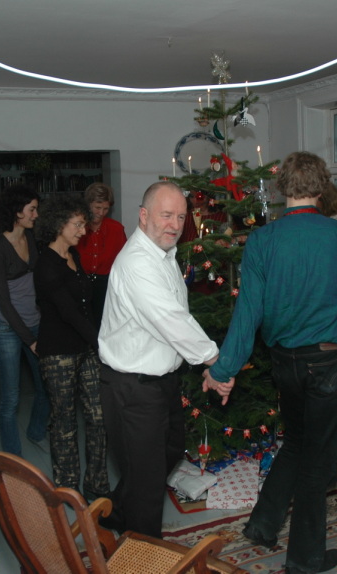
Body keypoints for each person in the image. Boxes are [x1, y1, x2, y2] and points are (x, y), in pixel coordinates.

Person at [204, 151, 337, 573]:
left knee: (296, 443)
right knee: (318, 463)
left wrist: (222, 369)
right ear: (321, 187)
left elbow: (247, 314)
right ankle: (305, 560)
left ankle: (263, 524)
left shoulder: (262, 240)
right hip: (327, 362)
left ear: (281, 188)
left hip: (284, 362)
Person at [98, 181, 224, 538]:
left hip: (161, 383)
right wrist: (215, 360)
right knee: (148, 484)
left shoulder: (163, 254)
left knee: (167, 454)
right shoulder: (138, 262)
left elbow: (174, 317)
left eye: (181, 217)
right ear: (143, 215)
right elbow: (172, 320)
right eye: (166, 215)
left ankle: (116, 513)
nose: (175, 225)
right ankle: (144, 554)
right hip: (133, 388)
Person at [34, 195, 110, 499]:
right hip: (58, 354)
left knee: (98, 417)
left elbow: (86, 306)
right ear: (59, 224)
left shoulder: (73, 255)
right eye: (77, 224)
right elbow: (68, 313)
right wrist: (101, 344)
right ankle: (67, 489)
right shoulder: (46, 265)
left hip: (85, 347)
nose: (83, 230)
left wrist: (98, 340)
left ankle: (97, 485)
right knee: (64, 421)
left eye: (83, 224)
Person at [0, 184, 49, 457]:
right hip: (7, 328)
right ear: (16, 212)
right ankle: (13, 459)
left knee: (46, 387)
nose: (36, 214)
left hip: (34, 323)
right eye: (31, 209)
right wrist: (30, 339)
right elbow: (4, 303)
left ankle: (36, 432)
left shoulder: (31, 238)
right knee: (10, 399)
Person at [78, 182, 127, 325]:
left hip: (106, 287)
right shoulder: (76, 228)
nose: (101, 213)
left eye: (106, 209)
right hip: (80, 285)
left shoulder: (116, 229)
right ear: (88, 205)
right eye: (97, 208)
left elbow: (124, 262)